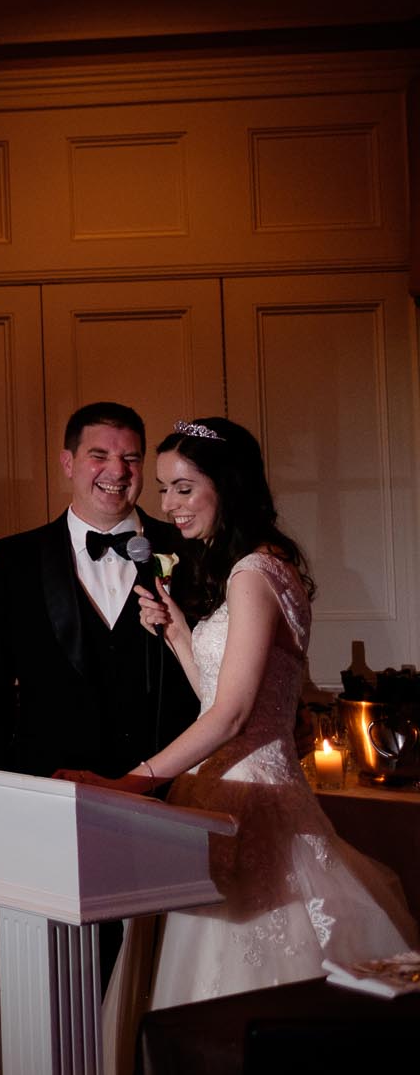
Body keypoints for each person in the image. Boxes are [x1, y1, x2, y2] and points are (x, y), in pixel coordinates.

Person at [59, 418, 415, 1069]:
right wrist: (178, 634)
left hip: (251, 809)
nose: (168, 505)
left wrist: (131, 782)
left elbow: (232, 716)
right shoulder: (265, 567)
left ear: (229, 486)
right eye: (165, 488)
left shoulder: (252, 573)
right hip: (224, 799)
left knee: (233, 1011)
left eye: (185, 487)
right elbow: (219, 694)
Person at [0, 402, 199, 780]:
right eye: (99, 455)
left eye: (131, 458)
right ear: (68, 463)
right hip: (48, 792)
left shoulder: (189, 549)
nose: (117, 471)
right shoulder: (15, 559)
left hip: (172, 792)